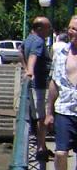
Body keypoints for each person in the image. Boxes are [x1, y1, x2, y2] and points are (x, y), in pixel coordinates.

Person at [46, 15, 77, 170]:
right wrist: (48, 112)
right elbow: (54, 83)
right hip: (64, 109)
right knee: (60, 153)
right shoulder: (61, 52)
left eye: (75, 29)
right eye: (70, 28)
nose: (72, 32)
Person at [24, 16, 54, 162]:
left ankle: (41, 146)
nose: (50, 30)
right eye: (48, 27)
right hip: (39, 85)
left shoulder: (28, 38)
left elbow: (20, 51)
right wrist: (30, 71)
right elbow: (33, 57)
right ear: (40, 28)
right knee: (41, 118)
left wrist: (25, 69)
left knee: (37, 116)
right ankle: (40, 148)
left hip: (34, 85)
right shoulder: (39, 41)